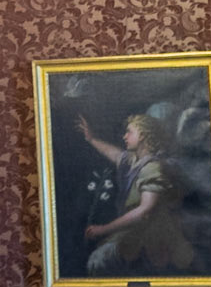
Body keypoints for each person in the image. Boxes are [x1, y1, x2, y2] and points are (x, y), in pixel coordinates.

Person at [77, 112, 195, 275]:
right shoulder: (132, 161)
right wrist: (91, 139)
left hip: (151, 235)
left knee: (100, 261)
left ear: (143, 136)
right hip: (133, 229)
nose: (125, 136)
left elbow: (144, 211)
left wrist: (104, 229)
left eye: (129, 132)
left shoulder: (153, 168)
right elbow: (115, 154)